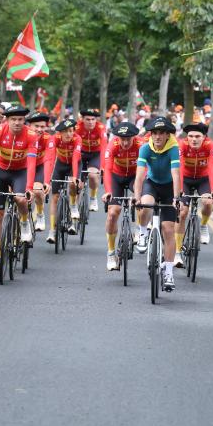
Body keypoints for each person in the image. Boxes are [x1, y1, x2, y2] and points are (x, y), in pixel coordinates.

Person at [0, 106, 38, 272]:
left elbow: (31, 162)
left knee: (20, 198)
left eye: (20, 120)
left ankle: (25, 224)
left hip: (20, 172)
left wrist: (29, 187)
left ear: (24, 121)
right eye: (13, 119)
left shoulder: (31, 135)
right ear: (7, 120)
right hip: (0, 171)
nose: (17, 123)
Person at [133, 116, 181, 291]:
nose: (158, 137)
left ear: (168, 135)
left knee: (168, 230)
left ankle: (168, 272)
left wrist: (176, 198)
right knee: (146, 204)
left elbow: (176, 174)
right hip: (151, 184)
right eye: (154, 133)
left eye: (161, 133)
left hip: (169, 189)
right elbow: (139, 175)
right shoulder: (145, 148)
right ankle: (142, 233)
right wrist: (137, 197)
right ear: (150, 135)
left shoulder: (173, 149)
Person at [175, 123, 213, 267]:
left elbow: (211, 167)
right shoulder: (182, 145)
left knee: (207, 203)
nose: (193, 139)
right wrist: (179, 189)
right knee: (182, 213)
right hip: (185, 180)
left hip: (203, 179)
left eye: (197, 136)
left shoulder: (210, 145)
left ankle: (204, 225)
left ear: (204, 137)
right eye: (191, 136)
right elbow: (179, 167)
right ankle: (177, 252)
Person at [101, 122, 142, 271]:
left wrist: (139, 192)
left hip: (134, 177)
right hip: (116, 177)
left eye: (128, 139)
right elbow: (107, 169)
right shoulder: (113, 145)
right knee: (113, 213)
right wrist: (107, 191)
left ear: (134, 137)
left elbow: (146, 169)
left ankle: (139, 230)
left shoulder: (140, 145)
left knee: (142, 200)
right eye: (122, 139)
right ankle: (111, 252)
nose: (125, 142)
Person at [45, 118, 82, 243]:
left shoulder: (77, 139)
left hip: (74, 164)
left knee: (72, 183)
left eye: (71, 131)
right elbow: (50, 158)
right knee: (54, 197)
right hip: (60, 165)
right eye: (65, 131)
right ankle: (52, 230)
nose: (68, 134)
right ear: (59, 133)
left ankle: (73, 206)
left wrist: (75, 177)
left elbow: (75, 158)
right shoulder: (54, 139)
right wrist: (47, 179)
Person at [75, 109, 106, 211]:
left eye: (93, 119)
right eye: (87, 119)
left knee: (93, 175)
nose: (91, 122)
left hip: (95, 155)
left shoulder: (100, 128)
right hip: (81, 154)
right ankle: (74, 212)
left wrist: (102, 166)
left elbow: (103, 147)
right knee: (78, 184)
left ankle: (93, 197)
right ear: (82, 119)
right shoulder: (77, 127)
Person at [27, 111, 52, 232]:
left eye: (42, 127)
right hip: (22, 167)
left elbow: (48, 160)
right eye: (36, 126)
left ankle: (40, 214)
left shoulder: (48, 138)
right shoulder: (22, 134)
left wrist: (46, 181)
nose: (39, 129)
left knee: (37, 191)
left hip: (39, 167)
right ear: (29, 126)